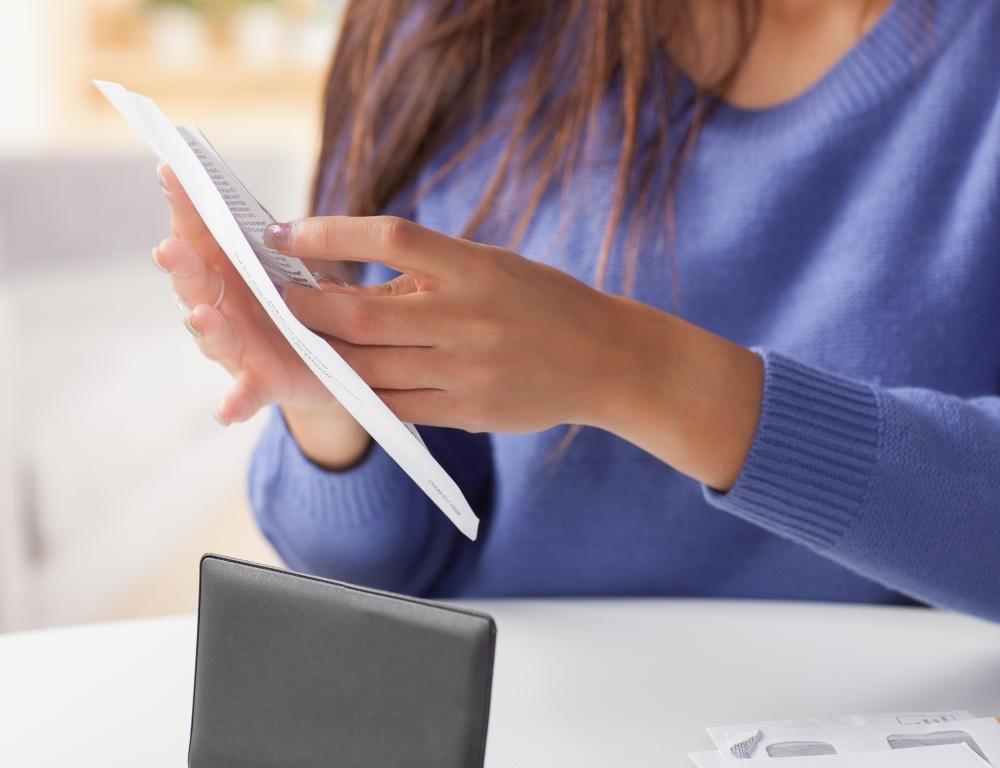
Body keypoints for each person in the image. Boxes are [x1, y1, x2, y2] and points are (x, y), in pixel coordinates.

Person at [152, 0, 1000, 620]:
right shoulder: (454, 28)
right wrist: (334, 412)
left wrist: (631, 369)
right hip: (514, 724)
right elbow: (381, 570)